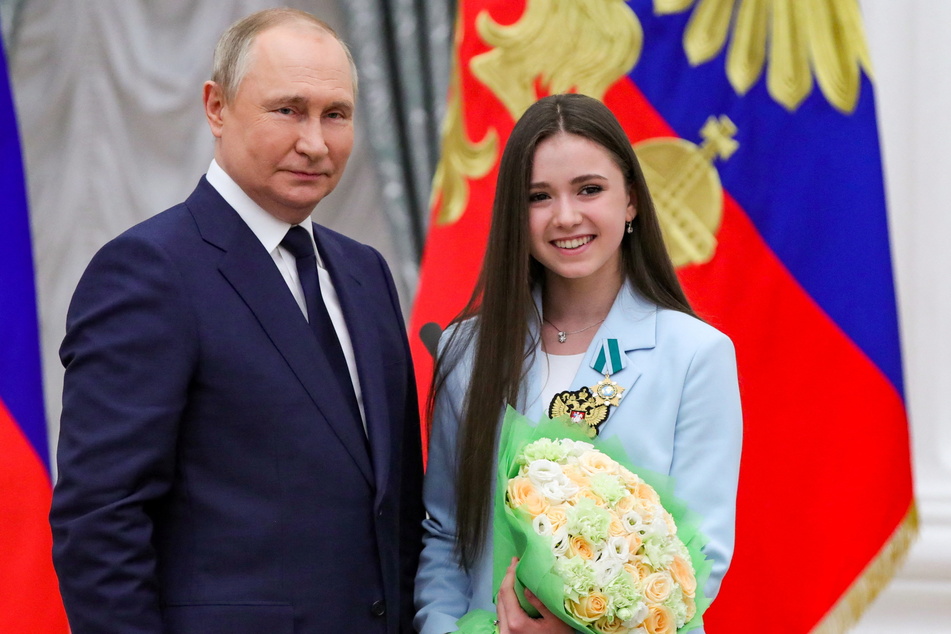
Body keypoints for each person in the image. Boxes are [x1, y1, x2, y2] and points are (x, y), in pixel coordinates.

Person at [49, 9, 423, 634]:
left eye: (336, 114)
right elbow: (100, 520)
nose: (315, 142)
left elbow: (395, 502)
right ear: (216, 108)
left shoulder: (365, 273)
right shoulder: (148, 270)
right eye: (288, 110)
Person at [414, 93, 742, 633]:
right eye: (539, 196)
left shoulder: (696, 354)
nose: (566, 217)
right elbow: (449, 533)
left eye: (589, 189)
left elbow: (700, 555)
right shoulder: (464, 351)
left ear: (631, 199)